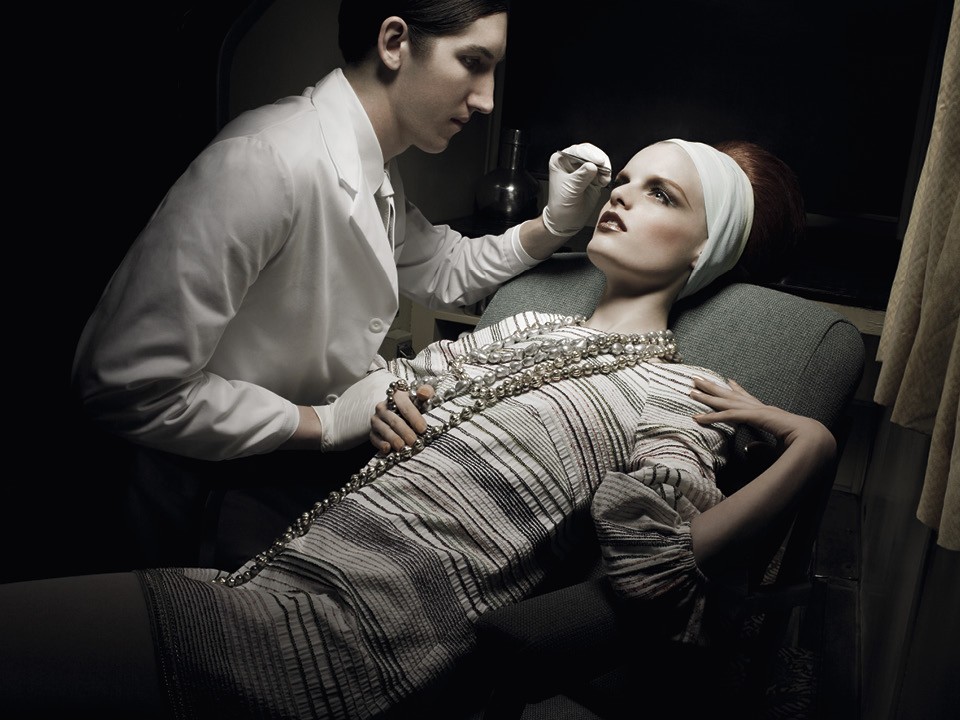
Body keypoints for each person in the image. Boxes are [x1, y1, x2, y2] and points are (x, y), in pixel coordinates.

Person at [2, 138, 833, 719]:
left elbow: (662, 562)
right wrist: (381, 404)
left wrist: (812, 446)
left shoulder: (677, 391)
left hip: (357, 643)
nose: (620, 194)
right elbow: (382, 385)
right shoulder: (525, 324)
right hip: (283, 576)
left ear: (704, 251)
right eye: (628, 178)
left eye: (662, 195)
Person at [70, 0, 612, 569]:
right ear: (394, 42)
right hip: (202, 493)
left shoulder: (370, 162)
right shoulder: (264, 161)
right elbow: (125, 387)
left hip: (273, 479)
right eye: (473, 62)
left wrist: (554, 225)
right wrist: (320, 422)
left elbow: (444, 268)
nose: (487, 100)